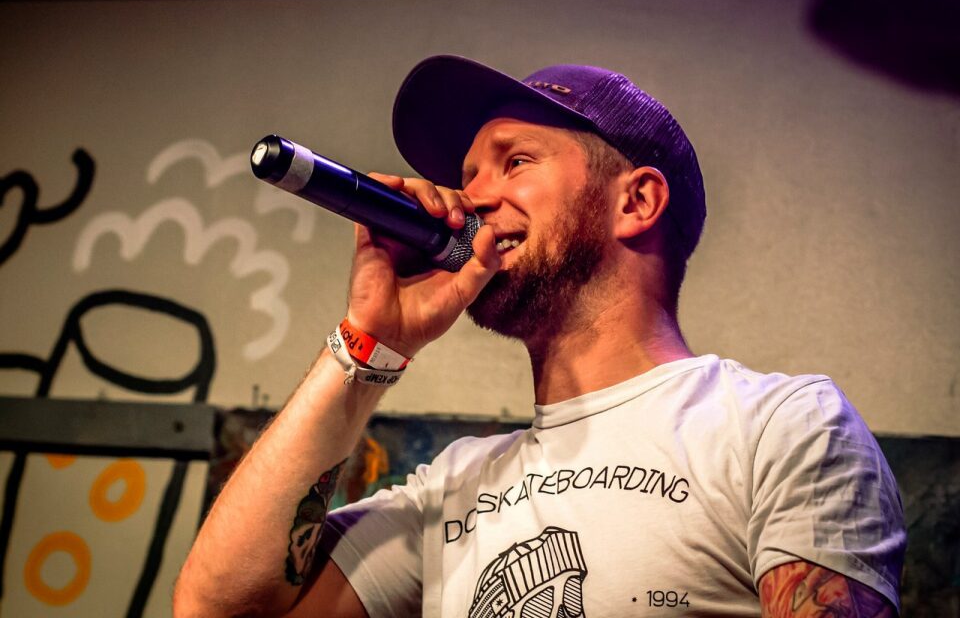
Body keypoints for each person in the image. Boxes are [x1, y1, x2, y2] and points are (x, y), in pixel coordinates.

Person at [174, 55, 906, 618]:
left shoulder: (781, 426)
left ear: (637, 201)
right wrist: (371, 342)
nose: (470, 199)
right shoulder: (451, 489)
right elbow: (217, 606)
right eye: (468, 175)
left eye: (515, 161)